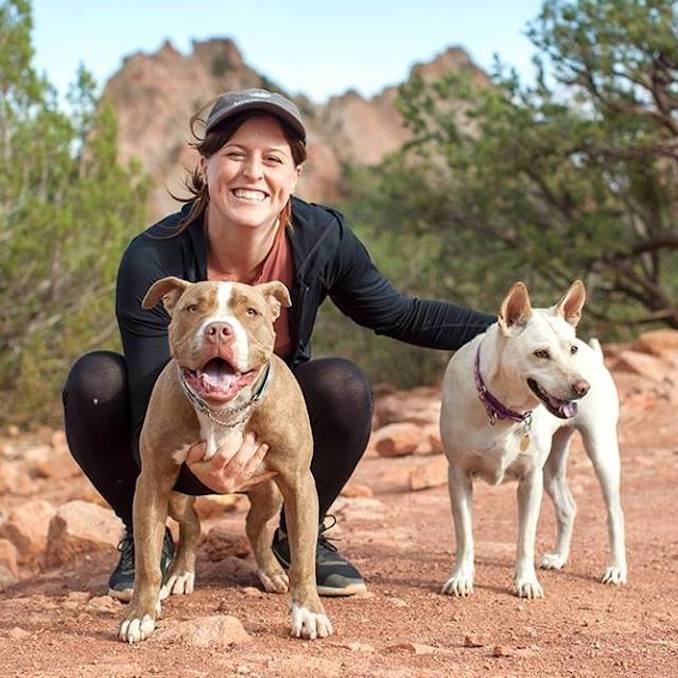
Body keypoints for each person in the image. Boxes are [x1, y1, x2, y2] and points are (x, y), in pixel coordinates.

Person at [62, 88, 495, 601]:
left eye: (273, 159)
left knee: (343, 385)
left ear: (294, 176)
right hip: (180, 443)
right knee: (95, 382)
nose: (252, 172)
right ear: (207, 165)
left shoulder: (321, 238)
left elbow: (399, 314)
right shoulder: (154, 257)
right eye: (235, 155)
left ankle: (298, 536)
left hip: (270, 431)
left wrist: (514, 331)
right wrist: (197, 458)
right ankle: (146, 537)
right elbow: (144, 412)